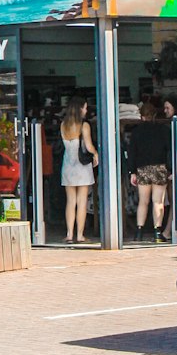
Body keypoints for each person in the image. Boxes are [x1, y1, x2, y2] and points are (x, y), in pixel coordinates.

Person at [128, 97, 172, 243]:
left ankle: (139, 232)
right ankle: (157, 232)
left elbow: (132, 152)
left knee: (143, 201)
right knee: (157, 201)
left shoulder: (136, 132)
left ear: (141, 116)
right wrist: (170, 169)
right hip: (160, 168)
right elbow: (168, 151)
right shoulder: (163, 130)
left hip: (142, 169)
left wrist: (132, 172)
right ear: (154, 115)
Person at [60, 95, 98, 245]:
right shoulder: (84, 125)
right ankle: (80, 235)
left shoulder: (64, 125)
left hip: (68, 165)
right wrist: (96, 154)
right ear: (80, 108)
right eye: (85, 107)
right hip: (82, 167)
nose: (86, 110)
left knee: (70, 202)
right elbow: (88, 146)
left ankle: (69, 234)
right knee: (82, 202)